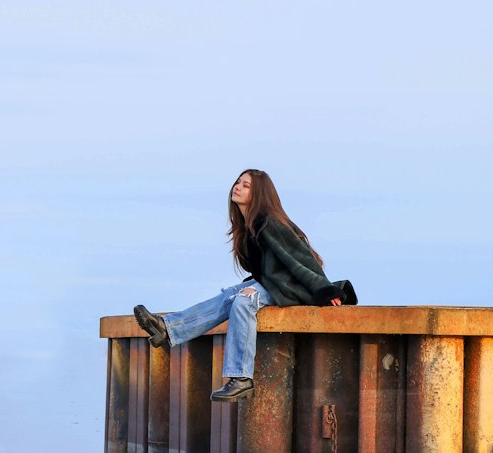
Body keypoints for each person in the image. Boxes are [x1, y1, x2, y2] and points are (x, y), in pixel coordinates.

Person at [134, 169, 357, 403]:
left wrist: (325, 289)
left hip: (291, 286)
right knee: (233, 295)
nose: (237, 187)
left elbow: (300, 259)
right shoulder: (246, 227)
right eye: (238, 182)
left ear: (259, 193)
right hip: (272, 283)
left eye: (246, 185)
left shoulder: (269, 222)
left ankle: (241, 378)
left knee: (243, 301)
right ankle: (168, 328)